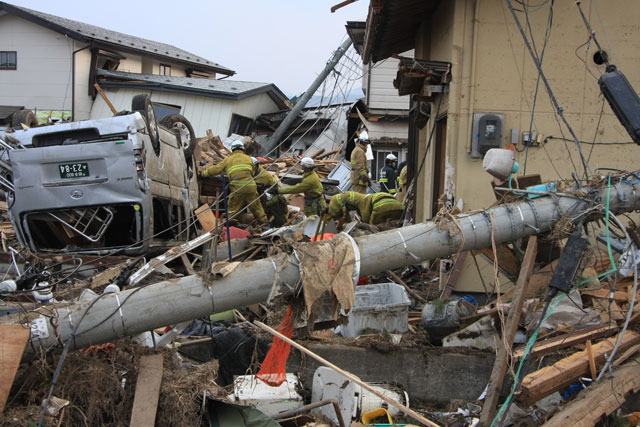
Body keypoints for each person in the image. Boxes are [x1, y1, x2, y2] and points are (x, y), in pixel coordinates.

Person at [201, 140, 268, 225]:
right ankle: (265, 224)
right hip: (250, 187)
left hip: (238, 188)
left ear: (232, 150)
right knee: (257, 208)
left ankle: (228, 228)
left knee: (232, 209)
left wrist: (204, 173)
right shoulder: (249, 159)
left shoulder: (228, 160)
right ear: (243, 149)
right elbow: (253, 172)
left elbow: (216, 169)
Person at [251, 157, 289, 227]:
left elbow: (254, 187)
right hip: (267, 199)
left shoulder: (263, 176)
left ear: (256, 165)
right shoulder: (256, 173)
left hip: (274, 200)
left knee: (279, 220)